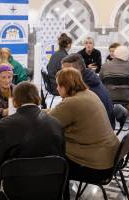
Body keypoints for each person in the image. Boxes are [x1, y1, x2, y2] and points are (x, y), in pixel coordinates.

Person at [0, 82, 64, 200]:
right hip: (51, 187)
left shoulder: (4, 125)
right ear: (39, 99)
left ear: (15, 102)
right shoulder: (56, 124)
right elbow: (61, 157)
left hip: (17, 189)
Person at [48, 68, 119, 200]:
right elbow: (56, 113)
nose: (57, 89)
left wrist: (33, 112)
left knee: (51, 161)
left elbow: (47, 124)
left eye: (58, 85)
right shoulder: (88, 94)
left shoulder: (72, 102)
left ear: (65, 86)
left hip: (96, 166)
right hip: (109, 157)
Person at [61, 53, 115, 129]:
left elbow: (67, 116)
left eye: (64, 71)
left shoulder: (84, 89)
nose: (61, 74)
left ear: (76, 71)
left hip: (97, 132)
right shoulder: (91, 79)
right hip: (106, 129)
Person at [100, 45, 129, 115]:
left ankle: (108, 114)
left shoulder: (105, 65)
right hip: (127, 97)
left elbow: (100, 80)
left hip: (109, 96)